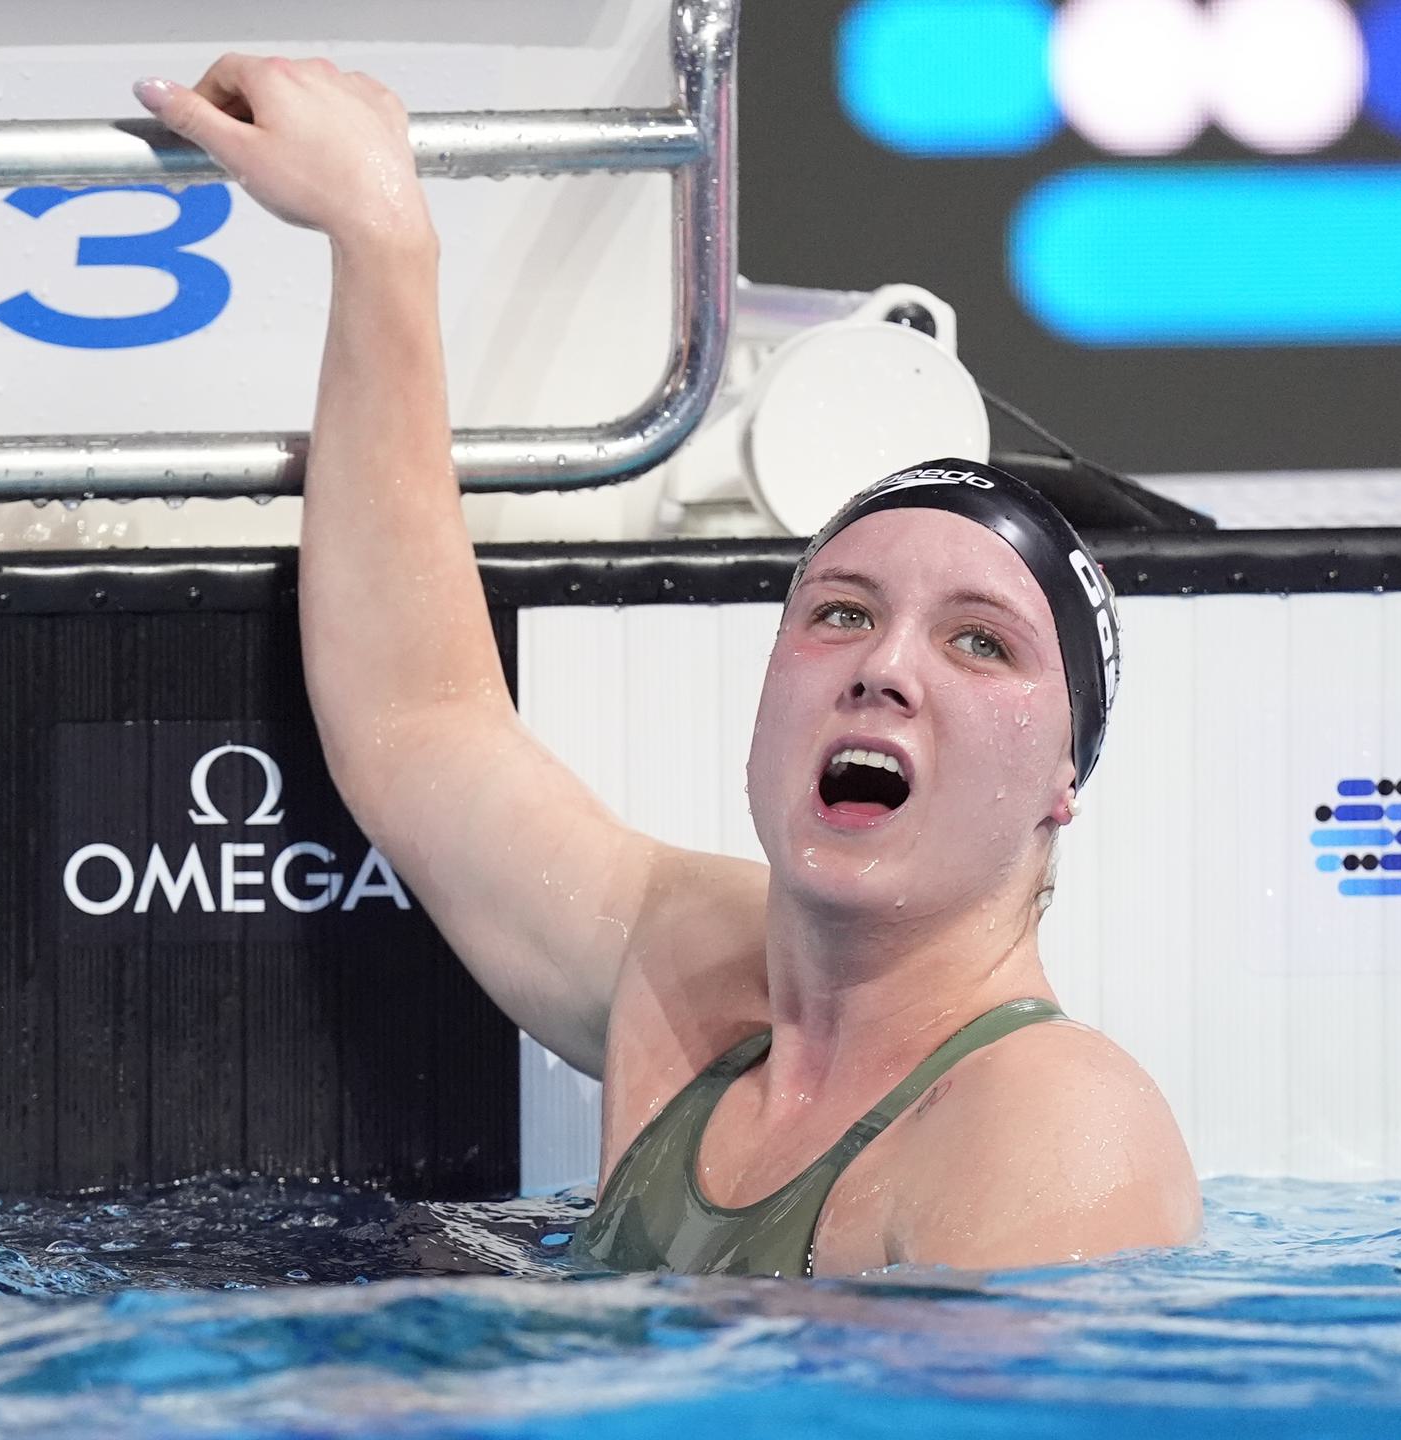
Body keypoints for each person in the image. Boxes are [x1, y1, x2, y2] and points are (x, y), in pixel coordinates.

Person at [133, 55, 1200, 1277]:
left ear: (1067, 779)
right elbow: (419, 719)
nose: (885, 668)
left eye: (979, 642)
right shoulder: (688, 962)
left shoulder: (1050, 1133)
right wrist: (382, 235)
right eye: (842, 614)